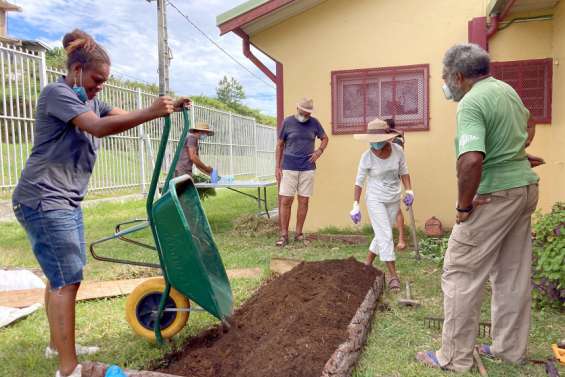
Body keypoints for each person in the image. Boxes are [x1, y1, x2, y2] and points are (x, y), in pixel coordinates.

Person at [11, 29, 189, 377]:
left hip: (65, 200)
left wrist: (167, 110)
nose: (99, 87)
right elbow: (98, 128)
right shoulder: (57, 93)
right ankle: (68, 369)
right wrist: (151, 112)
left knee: (59, 275)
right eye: (96, 79)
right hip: (44, 198)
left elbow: (121, 117)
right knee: (67, 279)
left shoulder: (91, 99)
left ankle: (56, 346)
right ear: (76, 69)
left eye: (104, 82)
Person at [416, 43, 540, 372]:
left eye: (446, 79)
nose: (446, 86)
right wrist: (515, 153)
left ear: (458, 76)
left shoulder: (470, 102)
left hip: (494, 196)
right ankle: (508, 351)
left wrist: (463, 207)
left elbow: (471, 161)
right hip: (524, 189)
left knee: (460, 273)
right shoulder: (506, 90)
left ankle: (453, 358)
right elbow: (529, 125)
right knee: (512, 274)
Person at [349, 118, 414, 293]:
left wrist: (409, 191)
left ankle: (367, 264)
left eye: (378, 141)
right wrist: (355, 205)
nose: (374, 145)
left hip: (393, 197)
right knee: (385, 234)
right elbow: (359, 182)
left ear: (387, 138)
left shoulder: (398, 151)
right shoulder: (366, 157)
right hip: (375, 198)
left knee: (381, 234)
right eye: (372, 142)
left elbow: (404, 172)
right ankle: (393, 275)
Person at [275, 97, 329, 246]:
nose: (306, 115)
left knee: (304, 201)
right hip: (289, 166)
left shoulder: (315, 123)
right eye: (304, 112)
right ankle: (284, 235)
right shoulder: (287, 122)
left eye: (308, 113)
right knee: (286, 201)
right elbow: (279, 145)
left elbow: (325, 138)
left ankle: (299, 234)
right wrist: (277, 167)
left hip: (307, 168)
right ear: (298, 108)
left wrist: (319, 151)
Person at [385, 118, 407, 250]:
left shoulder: (397, 140)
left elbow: (396, 156)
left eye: (385, 127)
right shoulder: (381, 140)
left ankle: (401, 239)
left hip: (393, 178)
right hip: (381, 179)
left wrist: (394, 133)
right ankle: (387, 239)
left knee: (396, 209)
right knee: (383, 211)